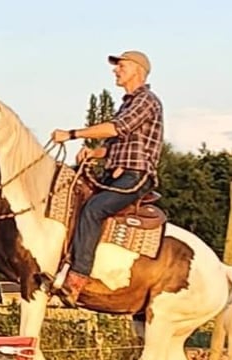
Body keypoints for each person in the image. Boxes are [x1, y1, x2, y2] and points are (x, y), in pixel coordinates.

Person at [47, 50, 164, 307]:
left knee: (93, 209)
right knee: (74, 200)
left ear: (137, 70)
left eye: (121, 66)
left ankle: (77, 280)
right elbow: (113, 146)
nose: (115, 70)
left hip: (135, 176)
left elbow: (117, 128)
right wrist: (94, 153)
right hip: (115, 174)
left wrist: (72, 134)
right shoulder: (128, 104)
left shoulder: (147, 100)